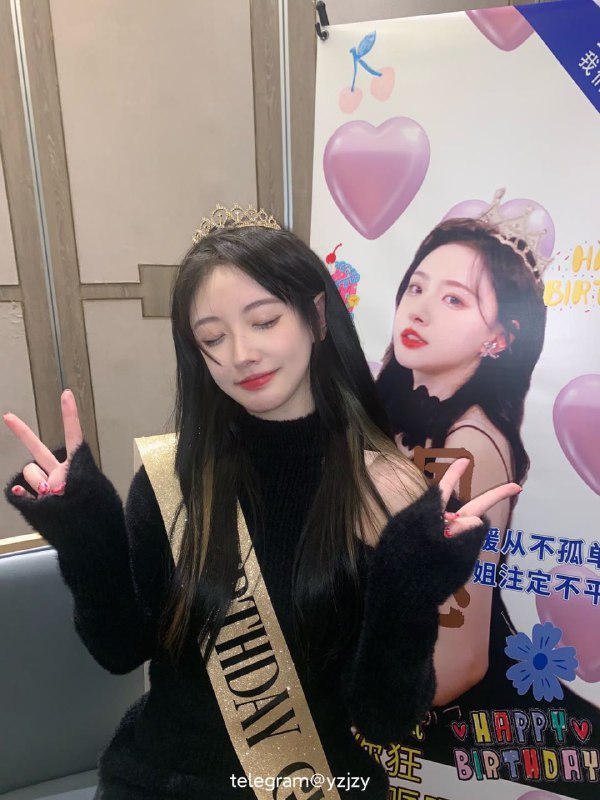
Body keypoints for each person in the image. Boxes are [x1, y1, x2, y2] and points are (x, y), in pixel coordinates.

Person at [4, 206, 518, 800]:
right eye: (212, 338)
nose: (240, 354)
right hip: (158, 780)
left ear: (316, 316)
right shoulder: (173, 478)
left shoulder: (387, 490)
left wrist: (410, 589)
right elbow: (121, 651)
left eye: (264, 321)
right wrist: (86, 534)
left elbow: (384, 718)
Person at [376, 216, 599, 799]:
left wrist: (360, 706)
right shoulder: (398, 415)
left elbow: (460, 659)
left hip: (444, 721)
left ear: (499, 337)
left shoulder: (467, 445)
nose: (419, 310)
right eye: (416, 286)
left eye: (454, 298)